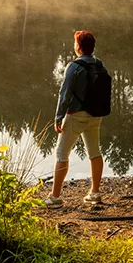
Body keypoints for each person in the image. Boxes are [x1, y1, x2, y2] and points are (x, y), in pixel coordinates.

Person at [43, 30, 109, 209]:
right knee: (94, 152)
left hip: (75, 116)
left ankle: (55, 197)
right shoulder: (99, 64)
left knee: (61, 154)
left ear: (78, 47)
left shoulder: (73, 67)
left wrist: (58, 117)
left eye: (75, 43)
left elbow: (64, 94)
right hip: (95, 115)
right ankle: (95, 193)